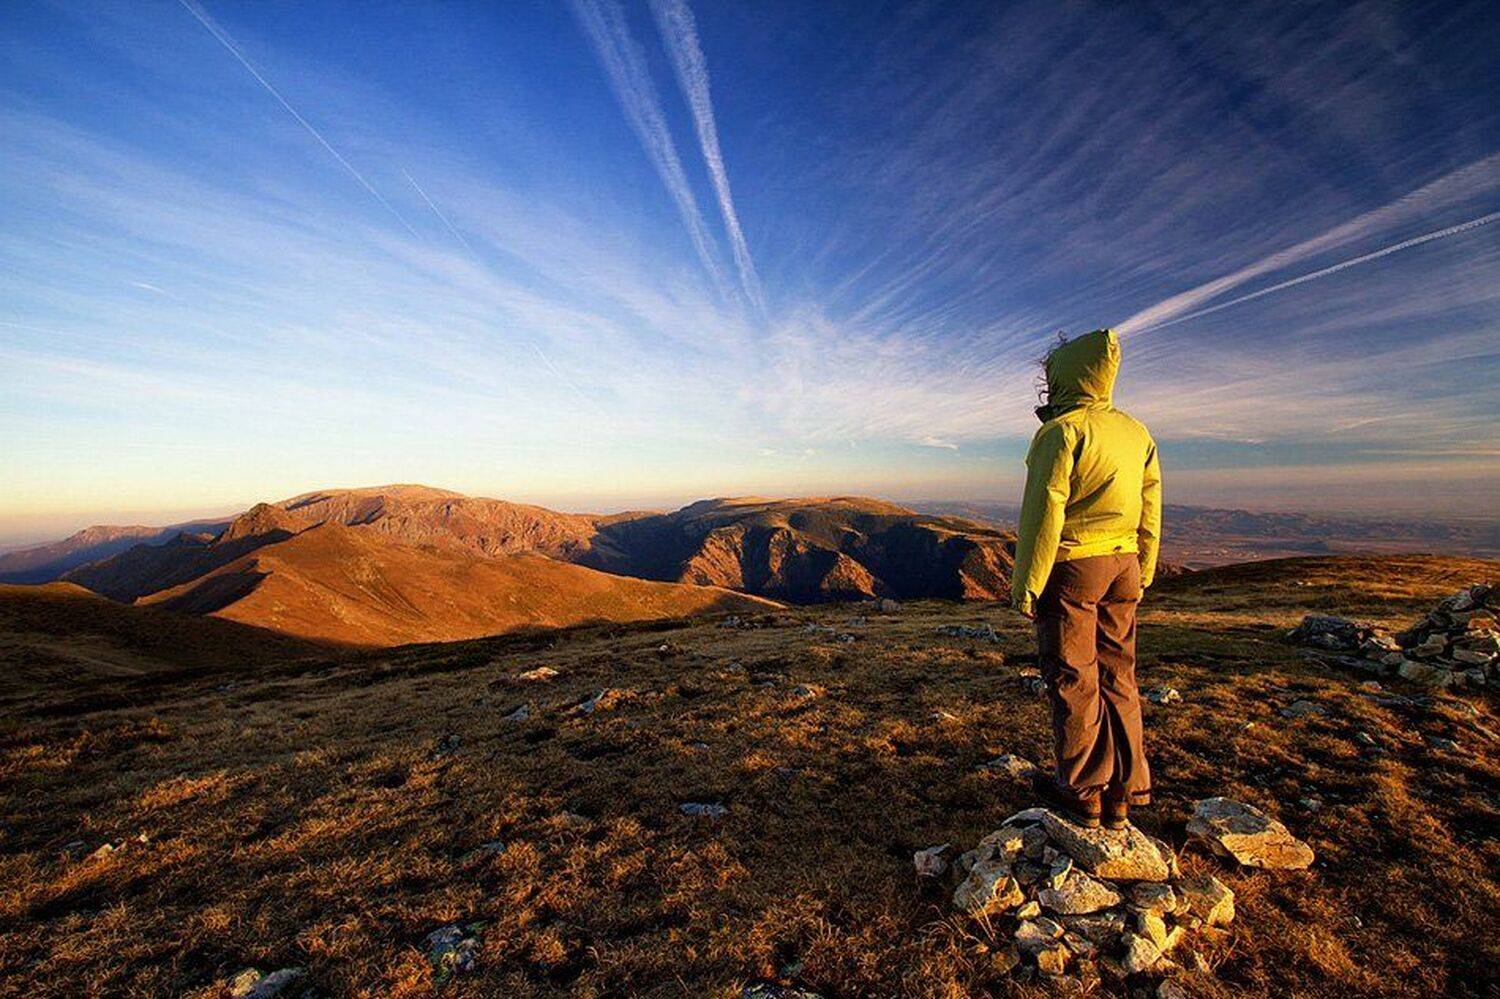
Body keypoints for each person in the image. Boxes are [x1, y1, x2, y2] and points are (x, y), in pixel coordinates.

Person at [1009, 328, 1161, 831]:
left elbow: (1043, 511)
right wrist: (1146, 566)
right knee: (1120, 673)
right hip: (1125, 565)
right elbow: (1151, 506)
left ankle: (1082, 790)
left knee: (1074, 675)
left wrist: (1028, 582)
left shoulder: (1062, 431)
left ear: (1065, 376)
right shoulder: (1136, 432)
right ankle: (1126, 788)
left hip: (1075, 566)